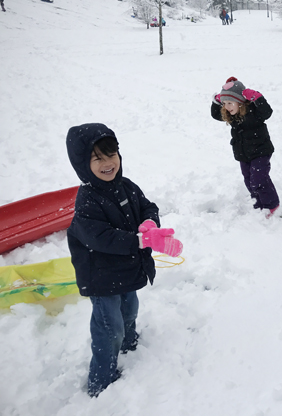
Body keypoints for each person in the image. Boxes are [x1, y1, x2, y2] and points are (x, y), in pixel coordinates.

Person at [66, 123, 183, 397]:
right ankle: (101, 380)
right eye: (98, 159)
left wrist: (149, 223)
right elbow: (101, 238)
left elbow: (148, 206)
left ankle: (130, 344)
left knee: (129, 310)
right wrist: (140, 241)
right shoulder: (86, 201)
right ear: (83, 164)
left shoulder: (127, 186)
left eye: (112, 155)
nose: (108, 164)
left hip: (127, 269)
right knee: (109, 329)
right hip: (101, 277)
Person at [211, 77, 280, 216]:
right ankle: (259, 204)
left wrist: (257, 97)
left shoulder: (253, 112)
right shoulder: (230, 115)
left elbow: (267, 112)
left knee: (259, 179)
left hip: (261, 150)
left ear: (241, 102)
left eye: (230, 103)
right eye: (224, 103)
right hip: (243, 154)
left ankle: (272, 205)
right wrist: (216, 101)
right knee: (249, 180)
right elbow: (215, 114)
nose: (227, 107)